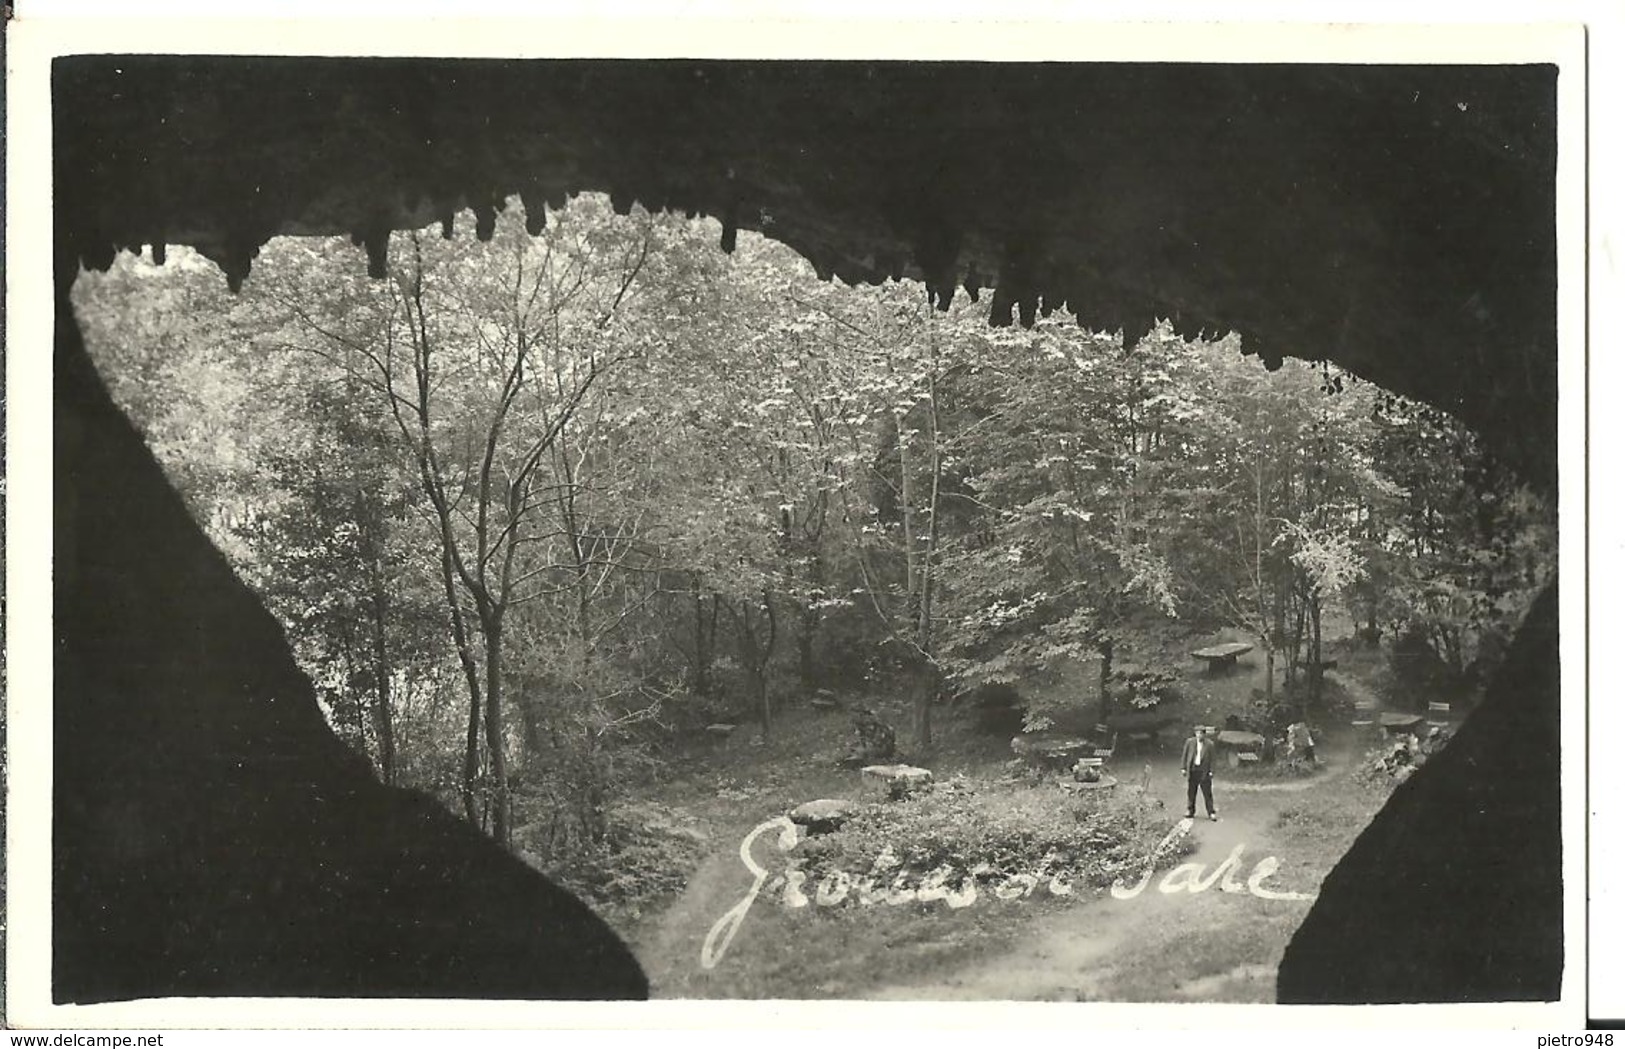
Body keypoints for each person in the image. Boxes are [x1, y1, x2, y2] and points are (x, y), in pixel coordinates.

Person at [1181, 725, 1219, 821]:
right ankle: (1190, 810)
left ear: (1204, 734)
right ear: (1195, 734)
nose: (1199, 736)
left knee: (1207, 793)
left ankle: (1211, 812)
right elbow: (1185, 755)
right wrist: (1184, 768)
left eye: (1201, 733)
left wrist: (1211, 771)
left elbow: (1213, 759)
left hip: (1204, 771)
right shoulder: (1190, 742)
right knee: (1191, 792)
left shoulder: (1209, 744)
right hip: (1193, 770)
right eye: (1197, 733)